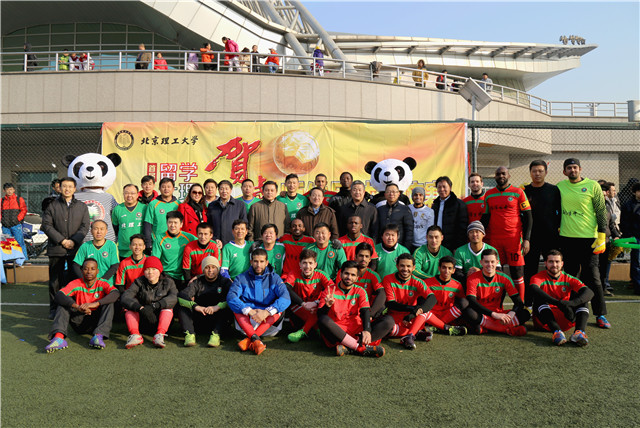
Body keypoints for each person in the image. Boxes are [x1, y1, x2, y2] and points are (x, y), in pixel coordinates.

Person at [557, 158, 610, 328]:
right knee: (571, 277)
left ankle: (600, 314)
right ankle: (573, 312)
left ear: (580, 169)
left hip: (589, 239)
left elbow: (601, 211)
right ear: (564, 171)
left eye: (575, 167)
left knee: (593, 277)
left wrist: (602, 235)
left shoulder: (593, 186)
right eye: (569, 168)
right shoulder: (560, 186)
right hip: (567, 238)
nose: (572, 170)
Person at [317, 261, 392, 357]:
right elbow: (320, 315)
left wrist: (367, 330)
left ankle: (349, 347)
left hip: (356, 330)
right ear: (340, 274)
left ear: (357, 278)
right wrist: (327, 306)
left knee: (389, 321)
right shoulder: (329, 290)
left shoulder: (360, 291)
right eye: (346, 273)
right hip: (337, 332)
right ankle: (360, 348)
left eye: (353, 275)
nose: (349, 277)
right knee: (323, 320)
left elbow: (365, 311)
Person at [45, 258, 120, 353]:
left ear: (97, 271)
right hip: (79, 321)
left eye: (92, 269)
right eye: (86, 269)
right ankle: (59, 338)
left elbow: (116, 293)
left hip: (97, 322)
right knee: (63, 304)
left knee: (109, 303)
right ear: (81, 270)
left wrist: (94, 304)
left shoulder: (102, 283)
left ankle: (98, 336)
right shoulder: (76, 283)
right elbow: (59, 295)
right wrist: (77, 307)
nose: (89, 271)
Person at [41, 177, 90, 319]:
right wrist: (62, 241)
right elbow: (46, 225)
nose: (67, 189)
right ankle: (54, 308)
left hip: (76, 249)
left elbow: (85, 226)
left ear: (75, 189)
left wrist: (74, 241)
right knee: (55, 280)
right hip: (57, 248)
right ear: (60, 188)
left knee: (75, 278)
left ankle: (74, 306)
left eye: (70, 186)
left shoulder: (82, 206)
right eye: (64, 186)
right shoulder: (52, 205)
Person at [227, 249, 291, 355]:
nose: (258, 265)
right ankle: (255, 339)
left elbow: (286, 298)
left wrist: (266, 312)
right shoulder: (241, 278)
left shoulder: (275, 278)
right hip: (247, 323)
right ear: (251, 262)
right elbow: (231, 297)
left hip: (269, 325)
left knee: (280, 307)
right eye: (255, 261)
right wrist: (250, 311)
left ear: (266, 262)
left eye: (261, 261)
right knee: (236, 306)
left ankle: (251, 339)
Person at [481, 166, 532, 300]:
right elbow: (485, 218)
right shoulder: (489, 194)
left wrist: (526, 239)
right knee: (496, 273)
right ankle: (497, 305)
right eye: (498, 174)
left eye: (503, 173)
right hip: (495, 240)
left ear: (509, 175)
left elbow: (528, 217)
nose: (501, 176)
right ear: (495, 177)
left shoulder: (518, 192)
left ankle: (520, 305)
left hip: (513, 239)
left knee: (517, 273)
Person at [530, 250, 595, 346]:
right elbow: (534, 289)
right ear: (545, 263)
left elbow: (589, 292)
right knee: (538, 299)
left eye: (557, 262)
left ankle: (579, 333)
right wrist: (558, 303)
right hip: (546, 322)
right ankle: (556, 332)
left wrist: (571, 304)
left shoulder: (569, 278)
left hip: (566, 317)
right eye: (551, 262)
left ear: (562, 263)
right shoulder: (538, 277)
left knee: (582, 300)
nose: (554, 265)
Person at [463, 249, 530, 336]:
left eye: (492, 262)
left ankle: (487, 328)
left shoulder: (504, 278)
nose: (489, 265)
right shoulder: (473, 278)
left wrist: (511, 314)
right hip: (482, 314)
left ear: (497, 262)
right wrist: (493, 314)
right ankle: (505, 329)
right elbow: (472, 302)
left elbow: (519, 303)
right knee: (468, 312)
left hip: (499, 314)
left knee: (525, 313)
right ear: (481, 262)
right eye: (486, 262)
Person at [523, 160, 561, 303]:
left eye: (540, 171)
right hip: (530, 238)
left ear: (546, 172)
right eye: (534, 171)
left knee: (552, 269)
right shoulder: (524, 191)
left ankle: (554, 301)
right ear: (530, 173)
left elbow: (560, 213)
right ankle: (528, 303)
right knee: (529, 271)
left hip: (550, 237)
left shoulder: (554, 190)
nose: (537, 174)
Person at [121, 256, 178, 349]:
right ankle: (135, 335)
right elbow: (125, 297)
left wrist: (154, 306)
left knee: (168, 307)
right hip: (143, 318)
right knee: (129, 307)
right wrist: (140, 308)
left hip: (160, 319)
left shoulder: (169, 282)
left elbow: (174, 297)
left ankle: (160, 335)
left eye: (154, 269)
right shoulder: (139, 281)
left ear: (160, 270)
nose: (150, 272)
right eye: (147, 269)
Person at [383, 253, 438, 349]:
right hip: (394, 318)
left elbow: (432, 298)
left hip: (411, 319)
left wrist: (413, 314)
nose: (405, 269)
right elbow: (391, 304)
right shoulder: (388, 279)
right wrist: (412, 308)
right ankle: (415, 333)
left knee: (425, 310)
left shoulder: (418, 281)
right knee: (385, 328)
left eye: (408, 266)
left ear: (413, 268)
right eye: (402, 266)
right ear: (397, 266)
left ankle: (410, 335)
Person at [178, 256, 233, 347]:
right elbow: (182, 295)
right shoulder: (197, 282)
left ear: (218, 269)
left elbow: (233, 298)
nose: (210, 270)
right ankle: (190, 334)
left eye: (213, 267)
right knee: (182, 306)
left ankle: (216, 335)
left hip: (218, 320)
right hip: (200, 318)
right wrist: (196, 306)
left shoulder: (225, 282)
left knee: (229, 306)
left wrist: (217, 307)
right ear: (203, 270)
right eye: (207, 267)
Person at [282, 249, 334, 343]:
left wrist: (316, 302)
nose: (307, 266)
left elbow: (332, 289)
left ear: (315, 264)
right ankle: (316, 330)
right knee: (316, 314)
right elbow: (286, 288)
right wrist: (303, 304)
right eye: (304, 263)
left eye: (310, 263)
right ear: (300, 264)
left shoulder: (321, 274)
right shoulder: (294, 273)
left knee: (320, 310)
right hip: (298, 305)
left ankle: (305, 331)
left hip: (315, 306)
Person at [423, 257, 468, 335]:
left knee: (464, 302)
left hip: (447, 315)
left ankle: (437, 326)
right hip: (432, 315)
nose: (446, 271)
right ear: (439, 268)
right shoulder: (427, 283)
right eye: (444, 267)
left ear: (453, 270)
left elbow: (461, 302)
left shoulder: (457, 285)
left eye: (450, 268)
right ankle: (443, 327)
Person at [151, 211, 196, 290]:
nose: (172, 225)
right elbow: (155, 259)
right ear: (166, 223)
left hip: (183, 276)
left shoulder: (189, 237)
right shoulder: (160, 238)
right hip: (166, 275)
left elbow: (203, 242)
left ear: (181, 224)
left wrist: (216, 243)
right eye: (170, 222)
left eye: (175, 223)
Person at [72, 220, 119, 286]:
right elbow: (76, 265)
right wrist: (84, 280)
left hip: (107, 283)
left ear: (106, 231)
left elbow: (115, 266)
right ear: (91, 231)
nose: (99, 232)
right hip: (89, 284)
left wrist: (102, 281)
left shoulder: (112, 245)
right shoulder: (85, 246)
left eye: (102, 229)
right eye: (96, 229)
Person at [431, 176, 468, 252]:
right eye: (439, 187)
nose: (442, 189)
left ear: (450, 187)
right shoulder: (435, 205)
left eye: (444, 187)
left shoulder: (459, 204)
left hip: (452, 245)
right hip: (436, 243)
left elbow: (462, 228)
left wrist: (457, 247)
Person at [143, 177, 179, 251]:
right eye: (163, 187)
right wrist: (148, 243)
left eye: (169, 187)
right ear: (159, 188)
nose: (166, 189)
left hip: (176, 242)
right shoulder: (153, 204)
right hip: (157, 242)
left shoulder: (179, 204)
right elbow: (148, 224)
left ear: (173, 189)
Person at [207, 180, 247, 246]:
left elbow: (244, 223)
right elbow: (209, 225)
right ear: (218, 190)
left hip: (234, 242)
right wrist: (214, 239)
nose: (224, 191)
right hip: (216, 242)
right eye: (221, 189)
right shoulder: (212, 205)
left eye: (226, 189)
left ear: (231, 190)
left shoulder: (240, 205)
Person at [111, 184, 146, 259]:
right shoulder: (117, 209)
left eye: (132, 193)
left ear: (137, 194)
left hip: (141, 251)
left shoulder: (144, 208)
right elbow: (115, 229)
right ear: (123, 194)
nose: (129, 195)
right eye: (126, 193)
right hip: (124, 251)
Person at [600, 182, 622, 295]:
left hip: (606, 241)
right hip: (595, 241)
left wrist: (616, 235)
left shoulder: (607, 206)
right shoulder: (590, 207)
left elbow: (611, 224)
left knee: (604, 266)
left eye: (605, 195)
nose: (604, 198)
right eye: (602, 196)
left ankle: (603, 288)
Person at [377, 183, 414, 248]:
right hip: (382, 247)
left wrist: (406, 248)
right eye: (389, 191)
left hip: (399, 246)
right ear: (385, 194)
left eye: (394, 192)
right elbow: (376, 229)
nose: (391, 194)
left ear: (398, 194)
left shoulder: (405, 209)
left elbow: (409, 231)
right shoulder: (380, 209)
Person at [621, 182, 640, 295]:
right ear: (634, 192)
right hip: (635, 238)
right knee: (636, 262)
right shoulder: (628, 205)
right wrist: (629, 235)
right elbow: (624, 222)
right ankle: (638, 286)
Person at [1, 182, 29, 261]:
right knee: (7, 244)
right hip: (5, 226)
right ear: (4, 190)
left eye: (11, 189)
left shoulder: (19, 199)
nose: (9, 191)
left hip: (16, 225)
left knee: (20, 242)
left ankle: (23, 260)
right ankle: (8, 260)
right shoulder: (2, 201)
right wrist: (2, 220)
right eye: (7, 189)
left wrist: (17, 219)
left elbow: (24, 210)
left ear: (14, 190)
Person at [408, 187, 434, 253]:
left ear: (424, 197)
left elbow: (430, 229)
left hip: (423, 244)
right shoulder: (408, 208)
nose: (418, 197)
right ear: (412, 197)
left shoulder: (429, 211)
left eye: (420, 195)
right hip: (410, 243)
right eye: (415, 195)